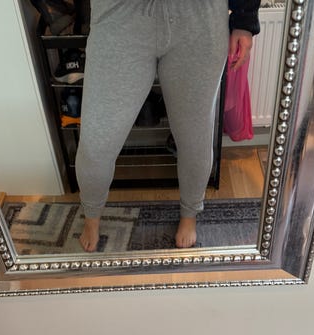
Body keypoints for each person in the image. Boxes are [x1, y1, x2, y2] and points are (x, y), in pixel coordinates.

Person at [76, 0, 261, 252]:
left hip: (199, 16)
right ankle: (91, 216)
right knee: (96, 142)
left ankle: (189, 213)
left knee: (195, 136)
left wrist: (244, 19)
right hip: (120, 15)